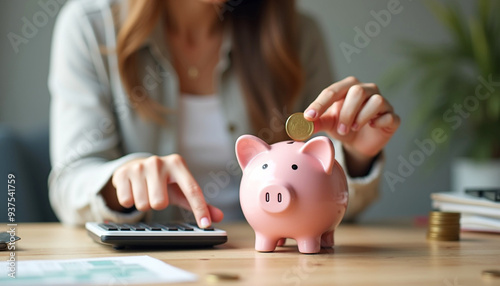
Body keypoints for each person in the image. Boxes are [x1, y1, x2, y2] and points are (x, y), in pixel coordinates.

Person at [48, 0, 400, 228]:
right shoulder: (89, 28)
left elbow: (331, 209)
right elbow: (69, 184)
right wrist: (118, 182)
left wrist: (355, 156)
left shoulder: (296, 34)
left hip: (274, 264)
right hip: (149, 264)